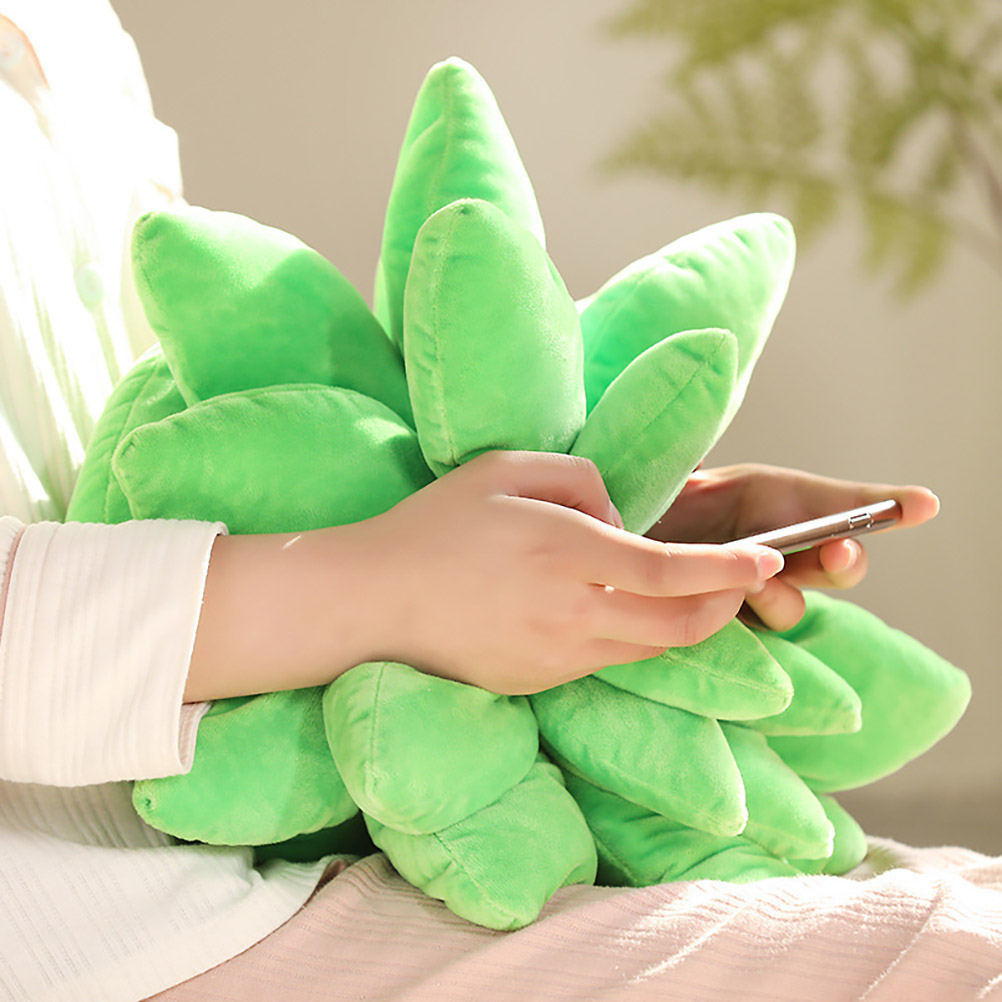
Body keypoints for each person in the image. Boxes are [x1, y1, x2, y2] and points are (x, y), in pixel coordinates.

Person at [2, 4, 999, 1002]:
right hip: (85, 933)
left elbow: (143, 455)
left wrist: (599, 547)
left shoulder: (79, 32)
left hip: (252, 857)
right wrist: (391, 590)